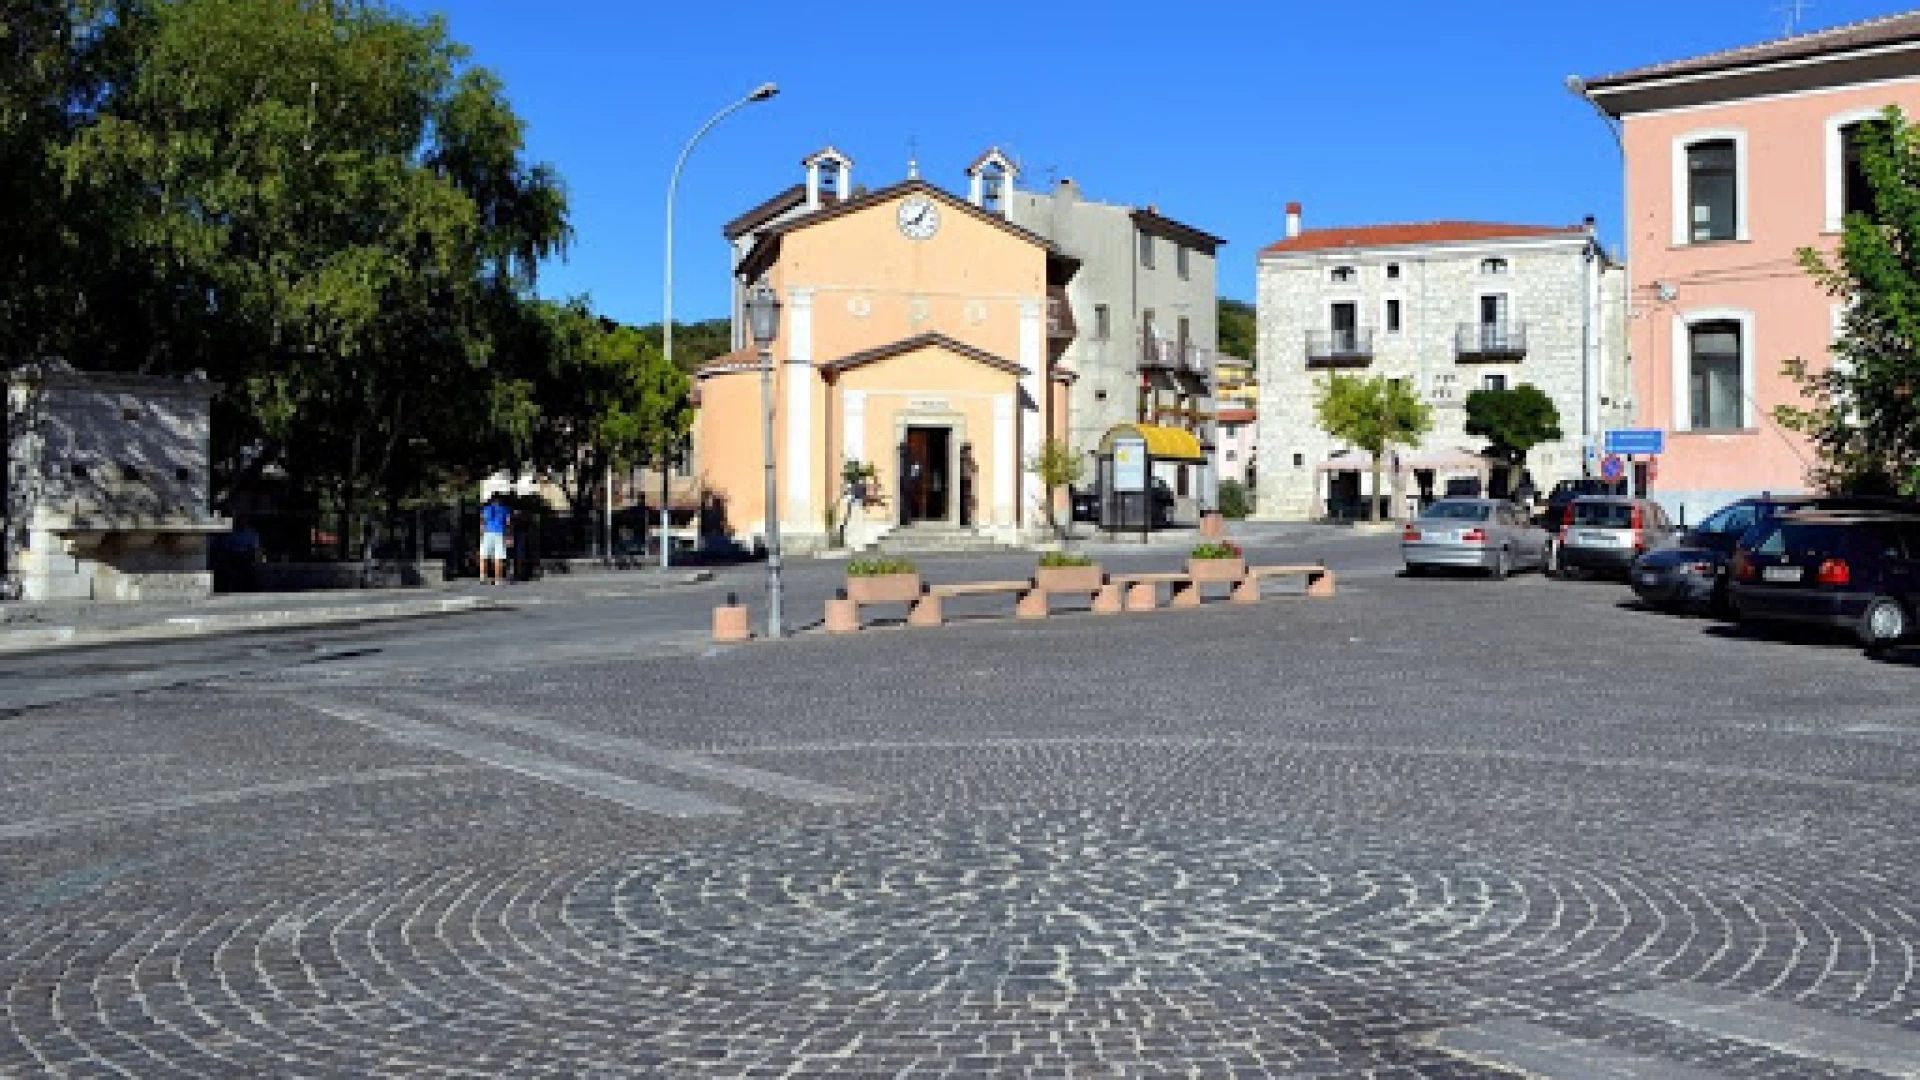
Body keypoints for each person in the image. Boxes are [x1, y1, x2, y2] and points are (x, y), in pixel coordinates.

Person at [479, 493, 512, 585]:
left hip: (488, 533)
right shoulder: (505, 509)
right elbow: (508, 523)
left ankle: (483, 577)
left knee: (483, 556)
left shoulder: (487, 509)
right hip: (500, 533)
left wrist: (482, 535)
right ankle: (497, 579)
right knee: (498, 557)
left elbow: (483, 523)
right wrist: (509, 536)